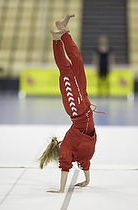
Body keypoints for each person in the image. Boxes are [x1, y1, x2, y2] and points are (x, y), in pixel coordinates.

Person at [38, 14, 99, 193]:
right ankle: (61, 34)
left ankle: (58, 39)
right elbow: (85, 164)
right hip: (84, 103)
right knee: (78, 62)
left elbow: (64, 168)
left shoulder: (66, 149)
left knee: (66, 69)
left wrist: (61, 190)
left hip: (76, 106)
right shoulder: (81, 156)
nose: (64, 159)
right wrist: (87, 181)